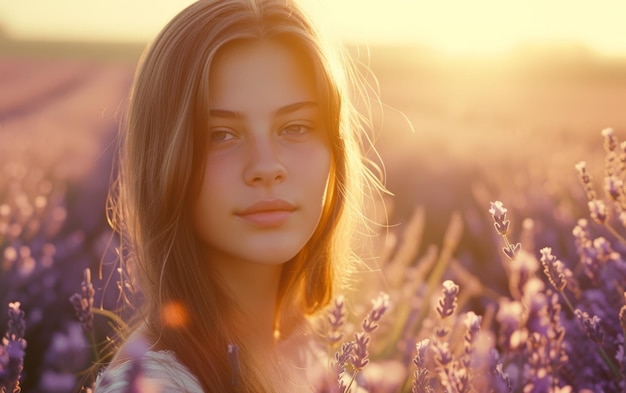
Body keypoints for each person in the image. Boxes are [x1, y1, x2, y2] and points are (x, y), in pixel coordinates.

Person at [95, 0, 385, 391]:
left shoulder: (315, 365)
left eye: (295, 127)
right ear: (164, 162)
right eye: (221, 135)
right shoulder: (152, 386)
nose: (266, 166)